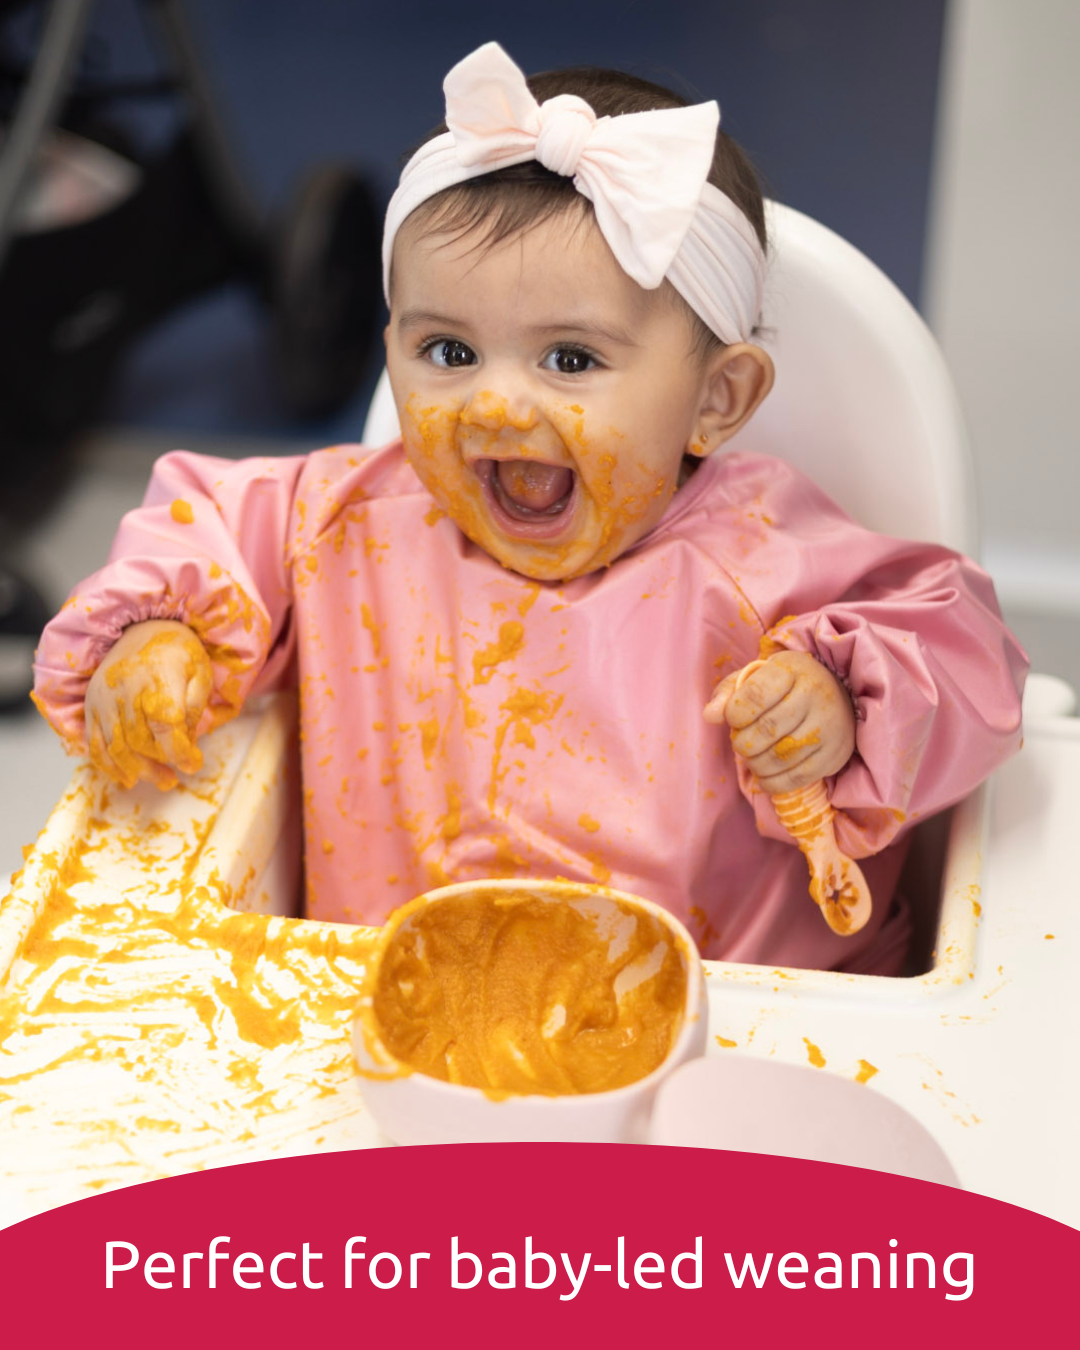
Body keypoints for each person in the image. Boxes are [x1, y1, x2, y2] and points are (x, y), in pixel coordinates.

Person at [31, 43, 1026, 973]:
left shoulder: (765, 552)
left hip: (727, 1048)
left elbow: (968, 655)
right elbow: (202, 526)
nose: (497, 402)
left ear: (716, 399)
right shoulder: (343, 523)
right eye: (448, 353)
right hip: (400, 1022)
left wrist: (844, 707)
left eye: (571, 359)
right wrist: (155, 633)